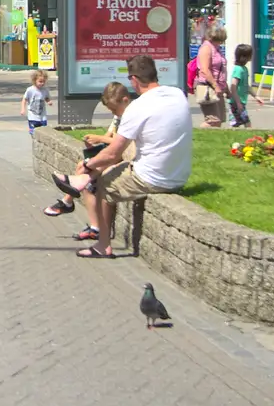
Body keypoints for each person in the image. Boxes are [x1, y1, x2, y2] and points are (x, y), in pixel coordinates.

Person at [51, 56, 192, 258]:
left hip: (154, 178)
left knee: (103, 185)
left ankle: (102, 245)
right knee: (109, 165)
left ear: (133, 80)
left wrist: (88, 165)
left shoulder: (137, 107)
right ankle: (81, 180)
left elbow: (113, 153)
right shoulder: (177, 94)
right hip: (180, 174)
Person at [43, 81, 132, 242]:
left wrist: (99, 138)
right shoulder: (119, 116)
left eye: (113, 108)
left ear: (125, 100)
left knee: (86, 176)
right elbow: (110, 136)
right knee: (83, 171)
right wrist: (96, 142)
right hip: (115, 153)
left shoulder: (131, 116)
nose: (113, 112)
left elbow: (124, 143)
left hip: (124, 156)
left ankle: (69, 204)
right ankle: (77, 211)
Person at [193, 26, 228, 128]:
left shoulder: (217, 49)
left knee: (219, 119)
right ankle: (195, 133)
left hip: (218, 87)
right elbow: (204, 70)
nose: (220, 43)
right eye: (219, 40)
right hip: (207, 86)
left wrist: (226, 88)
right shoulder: (206, 48)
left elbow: (221, 69)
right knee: (213, 119)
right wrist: (215, 85)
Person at [228, 43, 256, 128]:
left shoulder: (244, 69)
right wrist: (238, 102)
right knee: (245, 123)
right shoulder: (238, 70)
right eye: (250, 55)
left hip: (241, 102)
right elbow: (233, 87)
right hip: (236, 102)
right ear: (244, 57)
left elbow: (246, 86)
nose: (252, 56)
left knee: (239, 122)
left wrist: (256, 96)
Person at [19, 70, 51, 136]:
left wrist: (48, 101)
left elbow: (46, 97)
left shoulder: (45, 90)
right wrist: (23, 109)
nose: (42, 83)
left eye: (44, 82)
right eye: (40, 81)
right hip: (32, 116)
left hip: (42, 116)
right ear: (34, 80)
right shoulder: (30, 90)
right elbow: (24, 100)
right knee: (33, 132)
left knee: (44, 132)